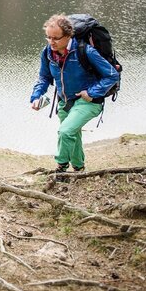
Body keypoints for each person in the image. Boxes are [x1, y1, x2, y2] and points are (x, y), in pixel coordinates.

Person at [30, 14, 119, 174]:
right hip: (65, 102)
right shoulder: (48, 53)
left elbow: (112, 75)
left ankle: (61, 167)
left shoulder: (85, 51)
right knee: (73, 134)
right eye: (48, 37)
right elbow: (44, 77)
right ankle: (79, 168)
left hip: (88, 102)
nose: (51, 42)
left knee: (65, 132)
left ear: (68, 35)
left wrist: (92, 92)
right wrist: (36, 96)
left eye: (56, 38)